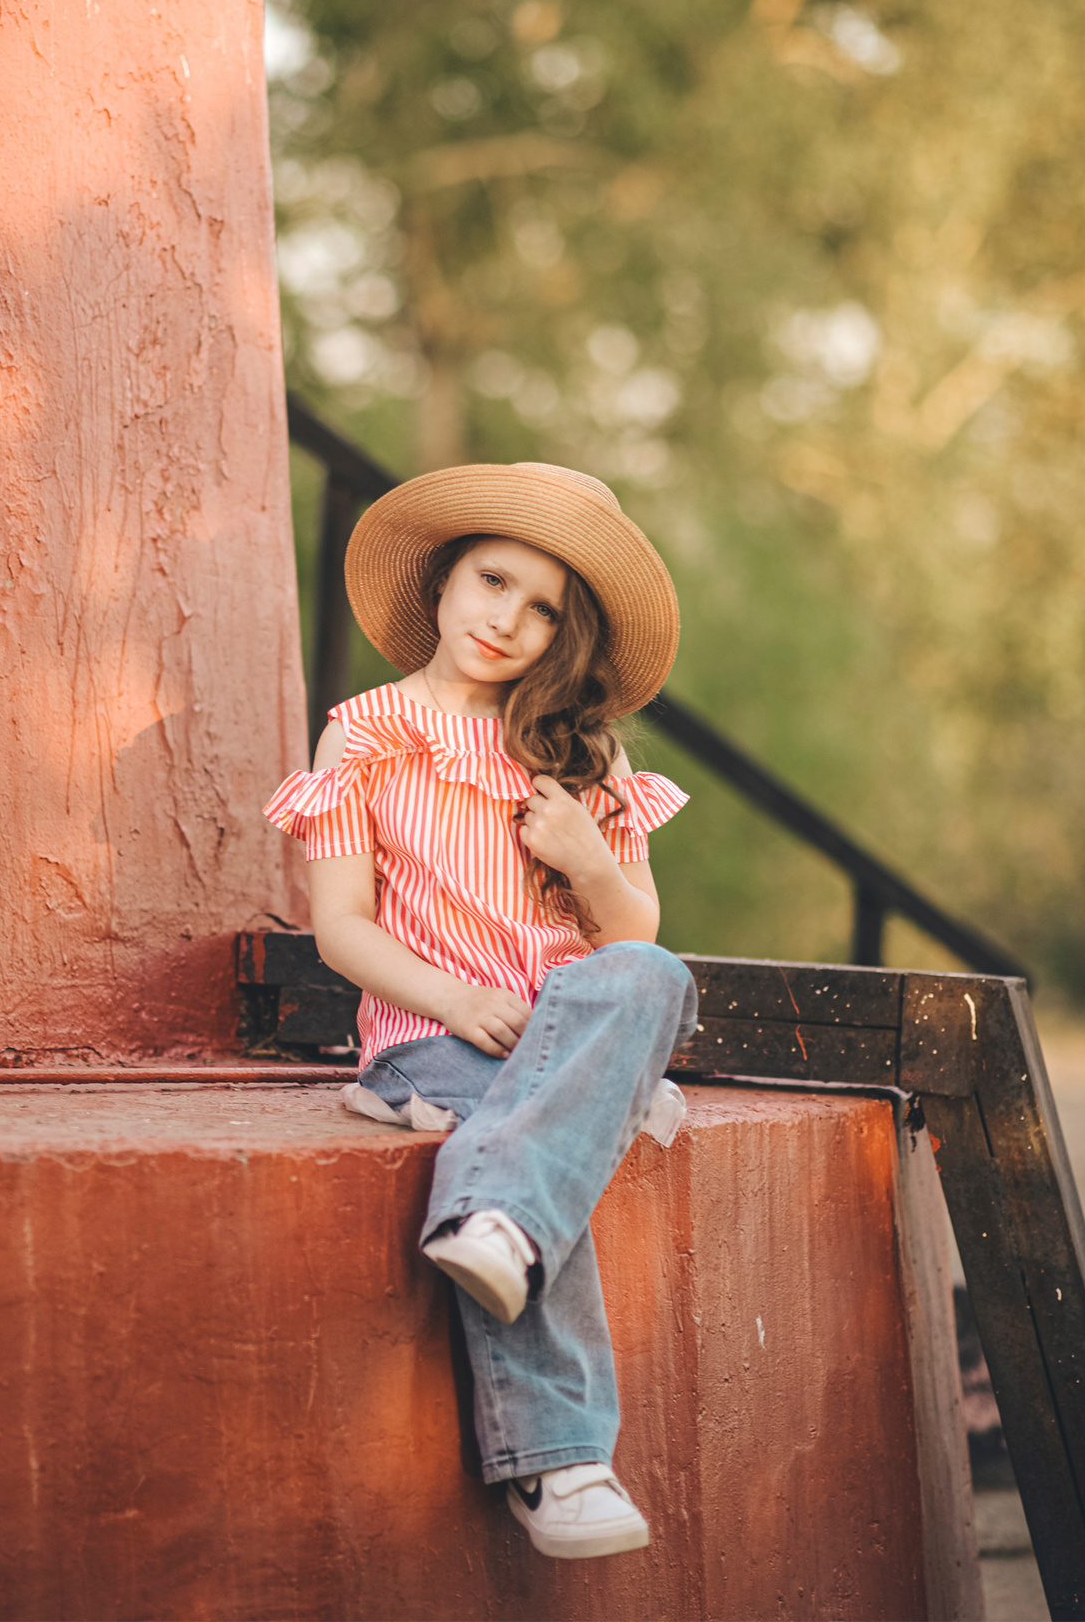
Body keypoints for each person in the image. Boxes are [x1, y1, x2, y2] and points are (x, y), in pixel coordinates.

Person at [263, 461, 692, 1562]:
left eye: (544, 607)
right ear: (445, 582)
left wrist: (588, 859)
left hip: (563, 1041)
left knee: (658, 980)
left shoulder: (584, 754)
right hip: (434, 1035)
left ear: (568, 636)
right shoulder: (364, 735)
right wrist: (455, 996)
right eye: (493, 580)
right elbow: (340, 930)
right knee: (527, 1148)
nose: (509, 618)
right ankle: (561, 1462)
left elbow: (629, 940)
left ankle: (491, 1216)